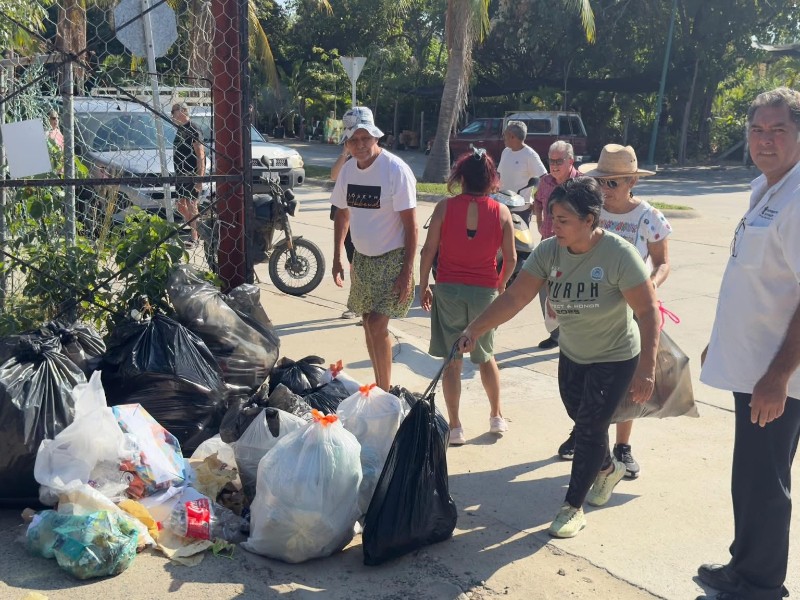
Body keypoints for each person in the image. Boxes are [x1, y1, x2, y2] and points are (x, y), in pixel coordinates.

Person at [458, 176, 659, 538]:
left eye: (564, 220)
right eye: (553, 219)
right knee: (579, 416)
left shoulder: (618, 254)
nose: (555, 227)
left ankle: (572, 507)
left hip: (615, 357)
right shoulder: (550, 251)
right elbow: (515, 297)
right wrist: (475, 328)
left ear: (590, 220)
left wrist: (647, 367)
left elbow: (648, 311)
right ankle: (607, 469)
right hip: (573, 353)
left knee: (588, 428)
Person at [696, 87, 800, 600]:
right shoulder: (767, 187)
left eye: (778, 130)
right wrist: (723, 343)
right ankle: (745, 564)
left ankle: (759, 584)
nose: (766, 140)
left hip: (776, 374)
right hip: (753, 365)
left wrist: (778, 377)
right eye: (758, 130)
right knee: (751, 476)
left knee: (764, 481)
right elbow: (754, 280)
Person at [554, 144, 671, 479]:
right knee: (582, 376)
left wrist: (649, 286)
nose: (606, 189)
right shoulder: (592, 211)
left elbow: (663, 263)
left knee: (627, 384)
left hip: (631, 307)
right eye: (602, 182)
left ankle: (622, 445)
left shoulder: (648, 217)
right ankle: (587, 432)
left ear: (633, 181)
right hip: (588, 305)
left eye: (614, 183)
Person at [420, 148, 517, 445]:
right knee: (486, 356)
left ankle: (455, 426)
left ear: (460, 177)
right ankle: (496, 415)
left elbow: (428, 251)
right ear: (491, 179)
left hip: (448, 289)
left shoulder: (444, 208)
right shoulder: (501, 212)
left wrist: (422, 284)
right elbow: (511, 259)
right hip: (485, 292)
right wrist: (499, 287)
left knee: (453, 361)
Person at [330, 106, 418, 391]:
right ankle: (381, 387)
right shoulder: (347, 172)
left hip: (393, 258)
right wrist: (337, 258)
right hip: (363, 259)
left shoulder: (395, 170)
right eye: (354, 140)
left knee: (379, 324)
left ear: (376, 137)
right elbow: (342, 214)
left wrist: (407, 271)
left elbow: (411, 225)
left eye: (366, 138)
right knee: (368, 322)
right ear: (346, 144)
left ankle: (385, 389)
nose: (361, 145)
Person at [533, 141, 580, 350]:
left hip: (574, 248)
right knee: (547, 289)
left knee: (572, 292)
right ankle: (555, 335)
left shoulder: (583, 183)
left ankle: (574, 337)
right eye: (550, 160)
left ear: (571, 160)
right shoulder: (545, 182)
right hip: (549, 246)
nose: (554, 165)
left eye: (559, 161)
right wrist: (539, 221)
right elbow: (537, 201)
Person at [497, 120, 547, 226]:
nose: (503, 138)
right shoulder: (505, 152)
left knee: (520, 242)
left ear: (512, 136)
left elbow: (544, 178)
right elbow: (499, 175)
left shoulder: (530, 155)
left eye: (504, 134)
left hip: (521, 211)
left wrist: (538, 199)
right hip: (502, 207)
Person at [171, 102, 206, 246]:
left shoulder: (193, 128)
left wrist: (199, 179)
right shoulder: (180, 129)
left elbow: (201, 155)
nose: (172, 115)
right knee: (180, 205)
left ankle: (195, 237)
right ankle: (198, 229)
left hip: (191, 173)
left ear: (182, 111)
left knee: (192, 205)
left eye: (173, 112)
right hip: (180, 174)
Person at [330, 145, 358, 319]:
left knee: (367, 264)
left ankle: (370, 309)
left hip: (366, 221)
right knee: (353, 262)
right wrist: (345, 152)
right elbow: (333, 175)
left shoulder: (377, 164)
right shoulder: (348, 163)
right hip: (347, 218)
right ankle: (356, 304)